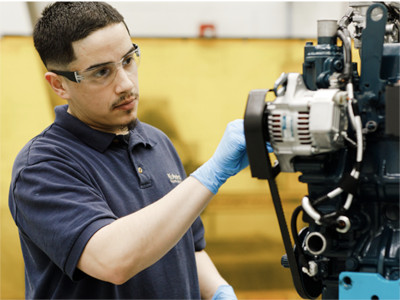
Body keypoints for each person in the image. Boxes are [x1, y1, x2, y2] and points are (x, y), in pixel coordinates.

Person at [8, 2, 249, 299]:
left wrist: (220, 292)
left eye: (128, 60)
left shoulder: (158, 142)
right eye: (101, 72)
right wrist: (212, 173)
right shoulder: (42, 166)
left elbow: (187, 247)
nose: (125, 84)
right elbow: (113, 260)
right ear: (59, 85)